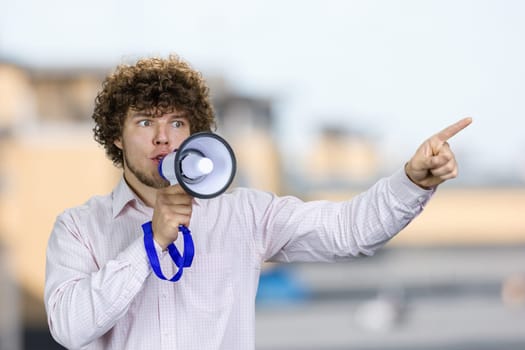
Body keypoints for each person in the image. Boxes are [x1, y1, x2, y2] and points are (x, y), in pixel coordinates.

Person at [44, 54, 472, 350]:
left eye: (176, 121)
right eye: (145, 121)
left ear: (194, 134)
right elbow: (69, 327)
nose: (163, 137)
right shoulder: (79, 227)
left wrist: (411, 182)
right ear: (116, 136)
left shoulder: (243, 214)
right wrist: (149, 244)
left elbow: (349, 231)